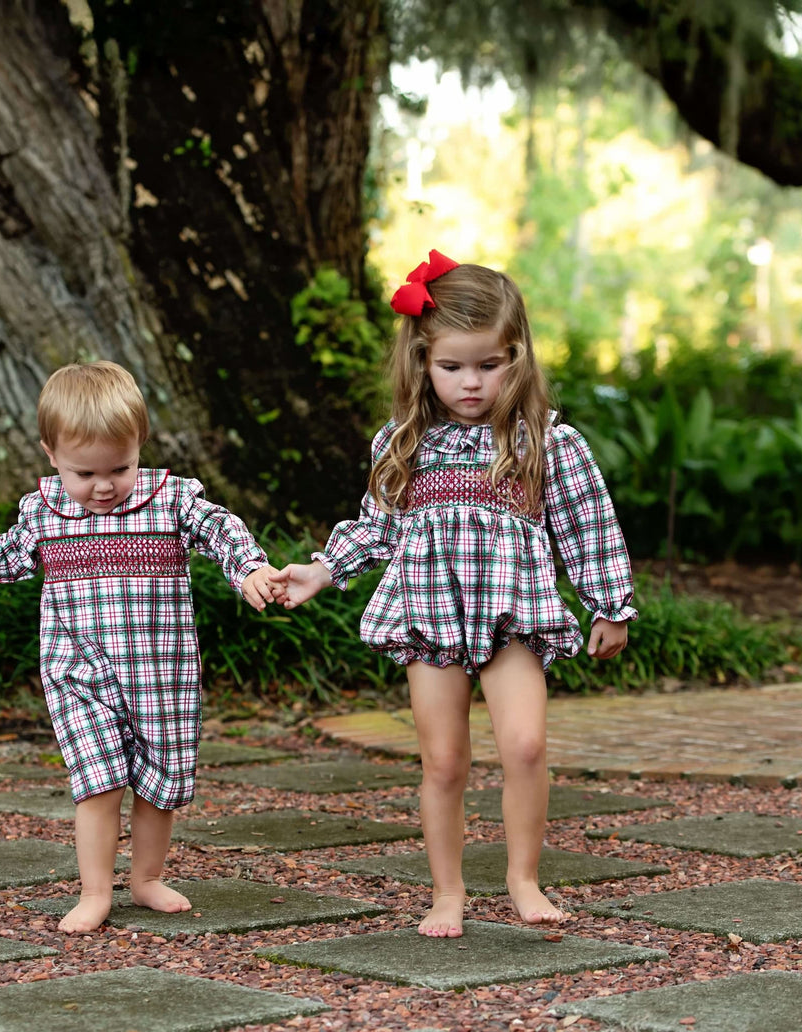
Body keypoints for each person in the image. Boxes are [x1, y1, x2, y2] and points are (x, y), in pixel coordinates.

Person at [270, 250, 636, 937]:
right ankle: (446, 891)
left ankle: (523, 878)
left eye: (488, 365)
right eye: (452, 366)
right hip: (430, 618)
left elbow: (589, 523)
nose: (470, 383)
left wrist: (608, 604)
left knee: (524, 745)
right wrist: (320, 572)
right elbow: (376, 526)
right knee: (443, 760)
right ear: (421, 362)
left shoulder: (546, 443)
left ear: (516, 357)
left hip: (512, 616)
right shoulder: (403, 443)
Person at [0, 361, 280, 933]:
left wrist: (249, 567)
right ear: (50, 454)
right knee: (98, 780)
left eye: (119, 468)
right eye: (85, 473)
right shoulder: (44, 512)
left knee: (160, 782)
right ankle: (95, 891)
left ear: (140, 446)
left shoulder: (171, 499)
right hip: (79, 672)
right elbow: (3, 558)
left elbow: (220, 529)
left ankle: (147, 877)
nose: (103, 486)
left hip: (164, 673)